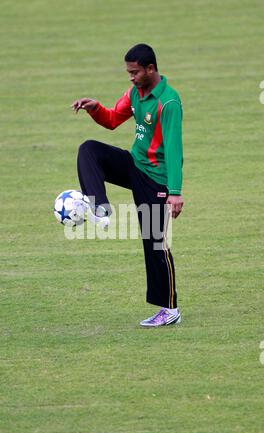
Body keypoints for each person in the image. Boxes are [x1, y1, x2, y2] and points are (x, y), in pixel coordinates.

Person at [71, 44, 184, 327]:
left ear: (150, 69)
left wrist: (175, 192)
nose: (131, 78)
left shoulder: (168, 102)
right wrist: (95, 108)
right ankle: (99, 207)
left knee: (154, 242)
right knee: (89, 150)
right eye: (128, 73)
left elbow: (173, 148)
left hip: (156, 179)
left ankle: (169, 309)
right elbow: (111, 120)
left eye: (135, 72)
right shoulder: (136, 93)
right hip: (134, 166)